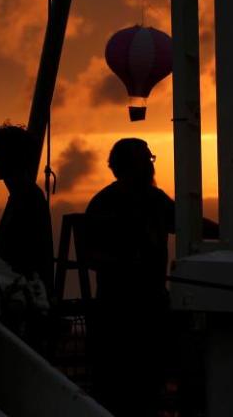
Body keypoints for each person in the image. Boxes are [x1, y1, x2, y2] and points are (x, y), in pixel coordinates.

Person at [84, 138, 175, 417]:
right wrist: (125, 264)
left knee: (148, 388)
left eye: (150, 158)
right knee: (121, 392)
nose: (150, 165)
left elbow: (185, 221)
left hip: (152, 307)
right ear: (127, 166)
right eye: (145, 159)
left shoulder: (155, 199)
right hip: (118, 310)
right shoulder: (105, 204)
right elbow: (90, 254)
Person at [0, 123, 54, 343]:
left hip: (27, 309)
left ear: (10, 158)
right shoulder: (23, 196)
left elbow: (28, 258)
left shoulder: (26, 198)